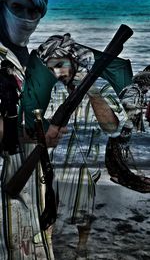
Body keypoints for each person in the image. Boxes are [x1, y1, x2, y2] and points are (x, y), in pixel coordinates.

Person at [20, 33, 128, 258]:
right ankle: (46, 241)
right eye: (52, 68)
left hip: (87, 162)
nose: (58, 72)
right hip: (57, 159)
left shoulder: (100, 86)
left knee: (83, 209)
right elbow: (48, 122)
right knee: (48, 203)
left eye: (61, 64)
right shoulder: (57, 89)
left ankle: (82, 244)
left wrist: (91, 91)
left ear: (73, 59)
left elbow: (113, 128)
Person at [0, 0, 67, 259]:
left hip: (32, 197)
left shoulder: (31, 63)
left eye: (35, 10)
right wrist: (36, 134)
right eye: (17, 7)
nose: (26, 17)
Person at [105, 66, 150, 193]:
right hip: (122, 127)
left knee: (119, 152)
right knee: (117, 151)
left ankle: (119, 174)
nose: (149, 88)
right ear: (145, 82)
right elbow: (126, 106)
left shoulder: (137, 91)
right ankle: (118, 175)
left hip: (124, 127)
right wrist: (140, 108)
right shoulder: (134, 90)